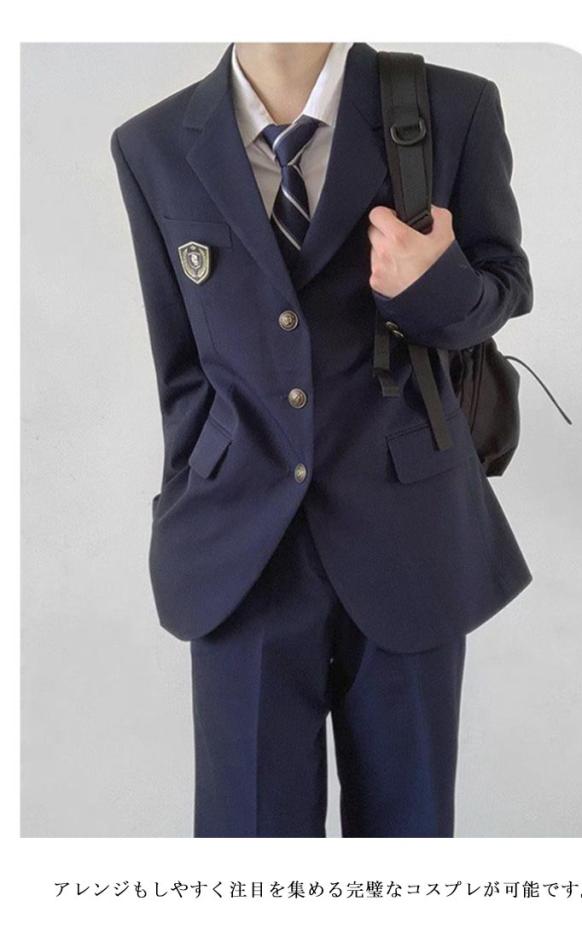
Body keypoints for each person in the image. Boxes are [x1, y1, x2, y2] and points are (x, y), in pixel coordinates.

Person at [111, 41, 533, 838]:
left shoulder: (451, 106)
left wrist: (432, 283)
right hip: (243, 553)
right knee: (249, 847)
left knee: (409, 840)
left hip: (410, 535)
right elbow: (182, 366)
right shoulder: (152, 144)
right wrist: (185, 512)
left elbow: (506, 286)